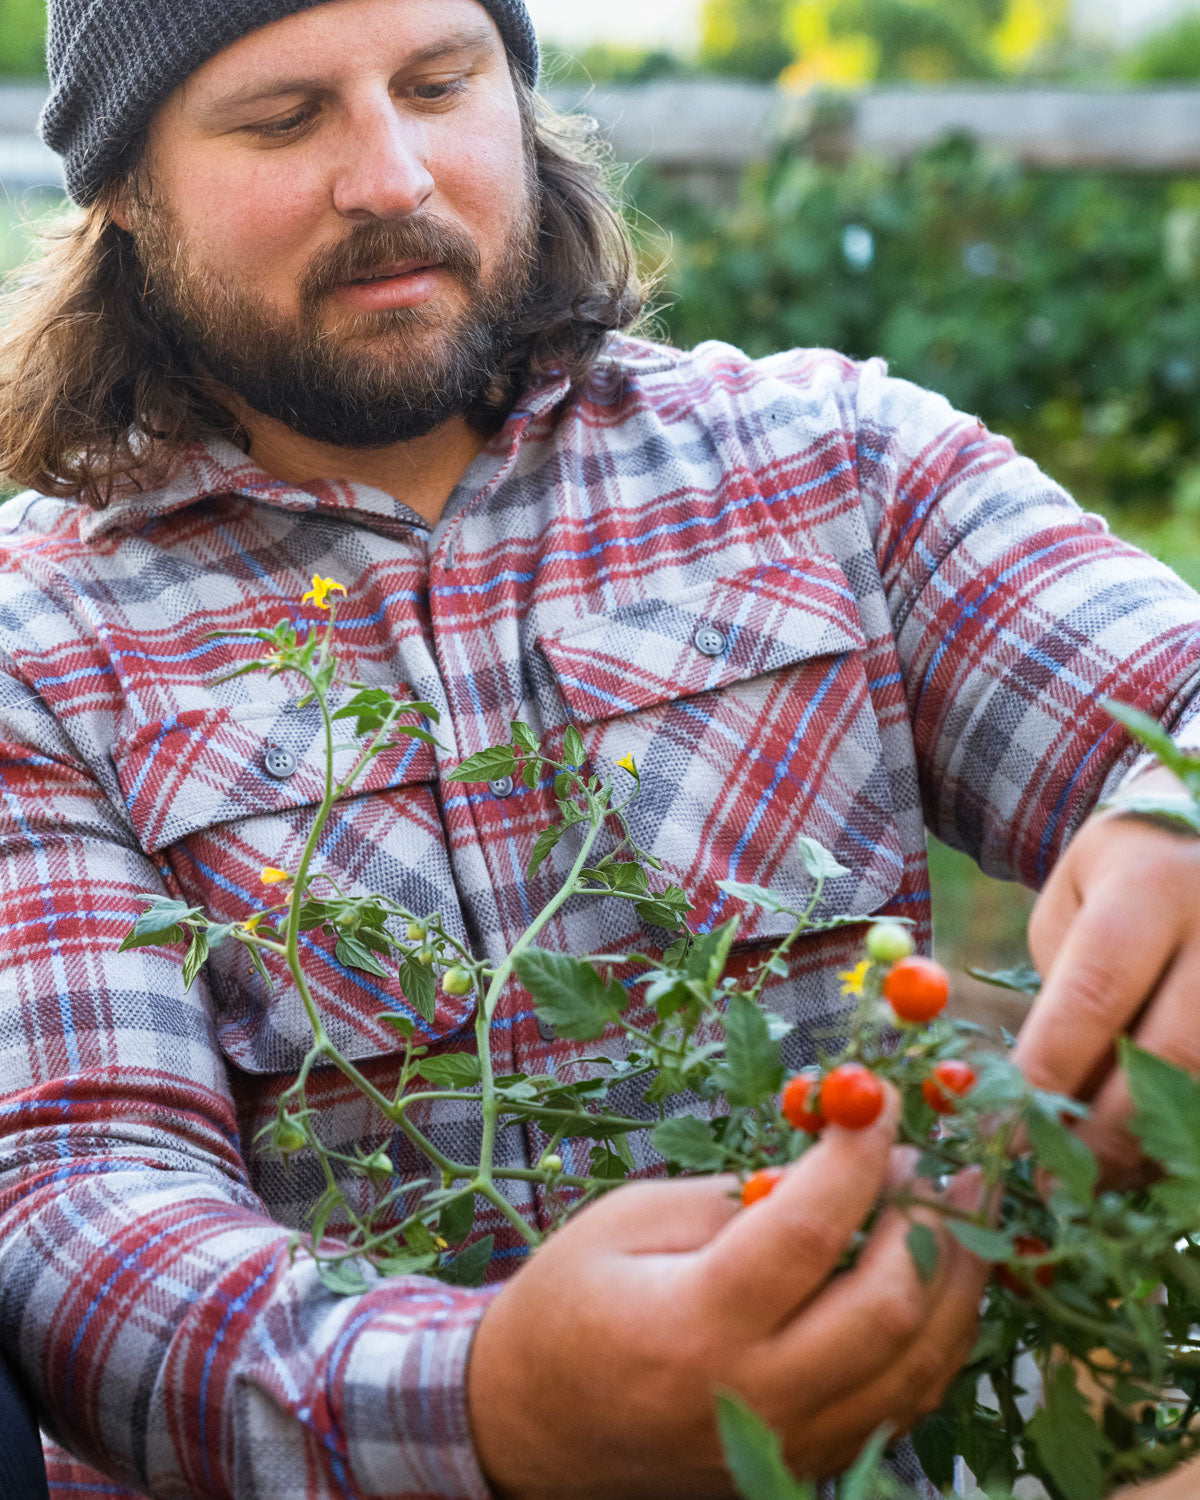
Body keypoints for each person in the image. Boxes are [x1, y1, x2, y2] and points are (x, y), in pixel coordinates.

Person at [0, 2, 1198, 1496]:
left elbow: (1179, 702)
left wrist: (1183, 827)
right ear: (122, 190)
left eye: (441, 84)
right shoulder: (39, 642)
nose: (391, 175)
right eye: (282, 120)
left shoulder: (830, 464)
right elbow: (77, 1204)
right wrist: (487, 1403)